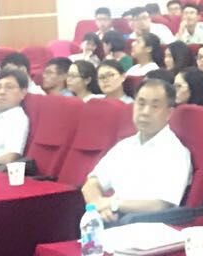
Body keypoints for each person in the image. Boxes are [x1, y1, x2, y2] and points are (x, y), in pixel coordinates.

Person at [82, 78, 193, 224]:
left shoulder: (176, 153)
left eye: (155, 106)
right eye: (141, 104)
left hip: (147, 226)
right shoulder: (125, 145)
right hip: (110, 219)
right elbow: (91, 183)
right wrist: (98, 205)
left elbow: (161, 204)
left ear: (169, 113)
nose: (145, 112)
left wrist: (113, 204)